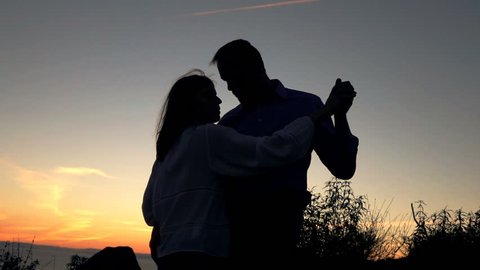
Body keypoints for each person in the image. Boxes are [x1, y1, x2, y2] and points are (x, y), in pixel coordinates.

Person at [142, 69, 353, 270]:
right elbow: (272, 149)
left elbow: (149, 212)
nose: (222, 97)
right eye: (209, 96)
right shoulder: (212, 134)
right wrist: (323, 113)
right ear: (189, 104)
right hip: (205, 252)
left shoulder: (164, 154)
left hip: (168, 254)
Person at [210, 39, 359, 266]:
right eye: (226, 81)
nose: (229, 88)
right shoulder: (229, 122)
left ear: (253, 68)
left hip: (283, 226)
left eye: (232, 78)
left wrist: (340, 114)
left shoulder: (306, 105)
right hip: (235, 230)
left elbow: (343, 168)